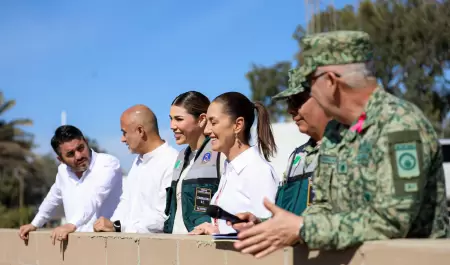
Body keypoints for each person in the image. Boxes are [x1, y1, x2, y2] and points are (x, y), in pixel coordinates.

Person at [233, 30, 450, 258]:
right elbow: (325, 205)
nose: (310, 93)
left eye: (309, 83)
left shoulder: (399, 125)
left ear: (330, 81)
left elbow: (392, 221)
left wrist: (302, 229)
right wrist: (274, 226)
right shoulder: (336, 132)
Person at [231, 68, 331, 230]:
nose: (290, 110)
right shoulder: (298, 156)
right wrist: (258, 223)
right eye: (289, 102)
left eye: (298, 101)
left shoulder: (350, 149)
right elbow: (288, 217)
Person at [189, 92, 280, 235]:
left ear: (238, 125)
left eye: (213, 122)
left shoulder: (258, 171)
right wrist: (212, 229)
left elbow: (268, 231)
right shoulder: (230, 168)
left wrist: (217, 233)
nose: (206, 130)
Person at [18, 125, 122, 245]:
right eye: (70, 154)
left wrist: (71, 224)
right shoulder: (63, 171)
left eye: (81, 148)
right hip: (75, 246)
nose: (79, 156)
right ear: (60, 159)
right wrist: (34, 224)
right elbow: (52, 198)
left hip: (109, 245)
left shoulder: (107, 164)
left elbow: (94, 198)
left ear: (86, 142)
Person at [93, 105, 178, 233]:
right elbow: (126, 202)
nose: (122, 139)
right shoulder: (138, 161)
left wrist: (118, 227)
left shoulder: (172, 161)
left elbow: (163, 217)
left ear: (140, 131)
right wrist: (111, 226)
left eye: (124, 132)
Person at [164, 91, 225, 234]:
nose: (172, 125)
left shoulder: (220, 155)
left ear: (201, 119)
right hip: (177, 245)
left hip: (204, 247)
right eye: (171, 119)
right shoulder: (181, 157)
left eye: (179, 119)